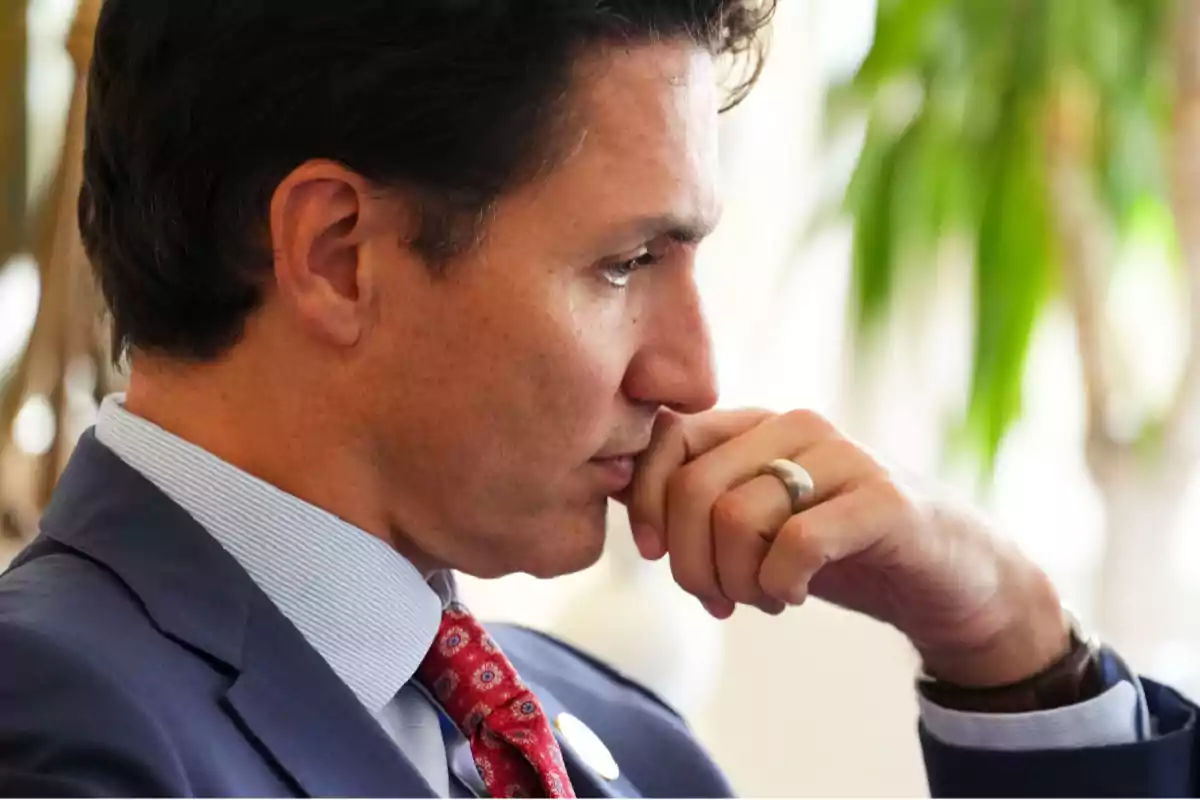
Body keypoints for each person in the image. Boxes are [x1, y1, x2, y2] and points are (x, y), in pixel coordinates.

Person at [0, 1, 1195, 797]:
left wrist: (1006, 643)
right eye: (626, 263)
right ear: (338, 253)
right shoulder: (55, 719)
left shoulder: (618, 731)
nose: (692, 373)